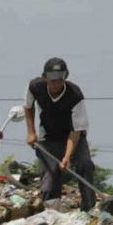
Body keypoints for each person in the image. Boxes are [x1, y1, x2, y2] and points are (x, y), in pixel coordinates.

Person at [24, 57, 95, 211]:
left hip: (73, 137)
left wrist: (67, 158)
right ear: (44, 78)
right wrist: (31, 132)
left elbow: (75, 131)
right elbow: (28, 107)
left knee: (85, 165)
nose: (55, 84)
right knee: (50, 175)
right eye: (52, 80)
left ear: (65, 78)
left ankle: (88, 208)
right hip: (49, 137)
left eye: (59, 80)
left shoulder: (75, 95)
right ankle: (51, 213)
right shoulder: (35, 86)